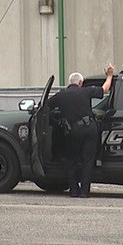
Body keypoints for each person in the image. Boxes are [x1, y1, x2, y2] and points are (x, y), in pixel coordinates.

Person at [49, 64, 114, 198]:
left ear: (69, 83)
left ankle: (74, 190)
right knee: (88, 161)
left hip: (74, 131)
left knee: (71, 160)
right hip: (90, 129)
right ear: (80, 82)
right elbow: (105, 89)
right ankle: (84, 192)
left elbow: (45, 108)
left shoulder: (60, 95)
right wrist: (109, 75)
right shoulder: (86, 91)